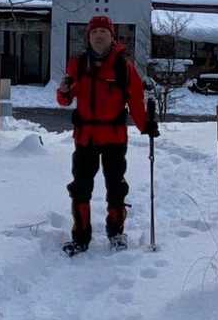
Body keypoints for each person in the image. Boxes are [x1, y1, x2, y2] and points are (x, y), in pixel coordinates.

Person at [56, 14, 159, 254]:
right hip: (85, 138)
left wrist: (146, 125)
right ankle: (81, 237)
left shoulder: (124, 67)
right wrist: (63, 92)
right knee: (80, 188)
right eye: (94, 32)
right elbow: (65, 99)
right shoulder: (77, 65)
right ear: (88, 37)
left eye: (103, 32)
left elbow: (135, 100)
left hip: (114, 137)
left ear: (112, 37)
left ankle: (116, 232)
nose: (98, 36)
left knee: (116, 187)